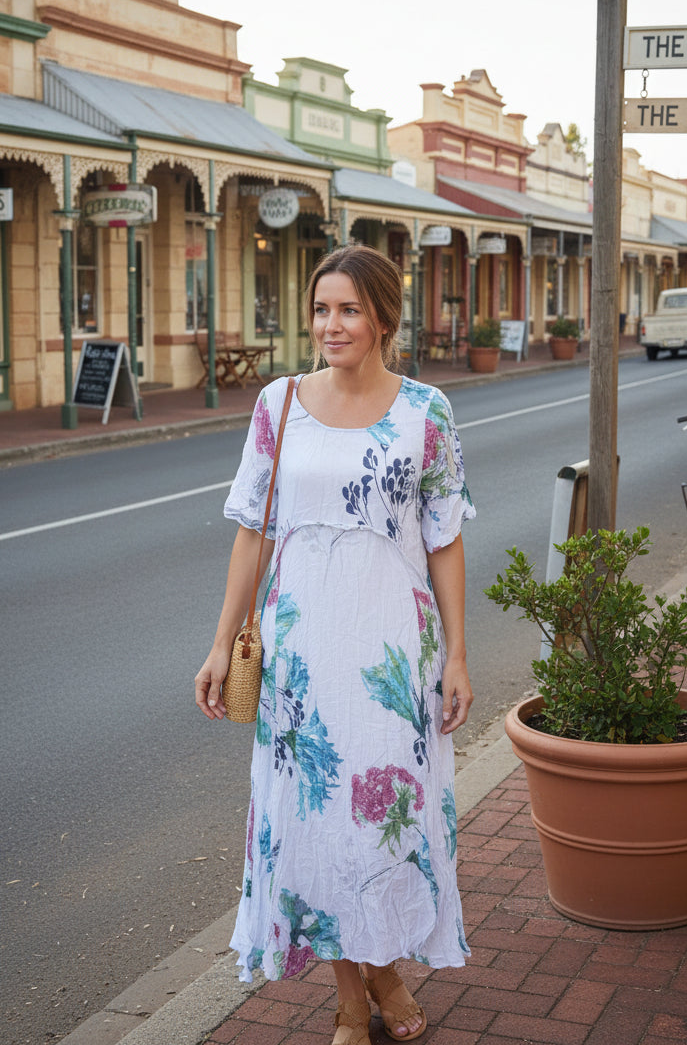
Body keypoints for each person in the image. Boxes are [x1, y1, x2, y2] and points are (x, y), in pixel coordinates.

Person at [195, 244, 475, 1045]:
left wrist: (456, 654)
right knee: (316, 822)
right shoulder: (279, 404)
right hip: (299, 655)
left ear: (384, 316)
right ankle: (362, 993)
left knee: (383, 819)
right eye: (321, 309)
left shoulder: (427, 412)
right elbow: (252, 531)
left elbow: (446, 539)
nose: (331, 325)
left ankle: (379, 973)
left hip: (392, 653)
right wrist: (222, 644)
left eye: (349, 309)